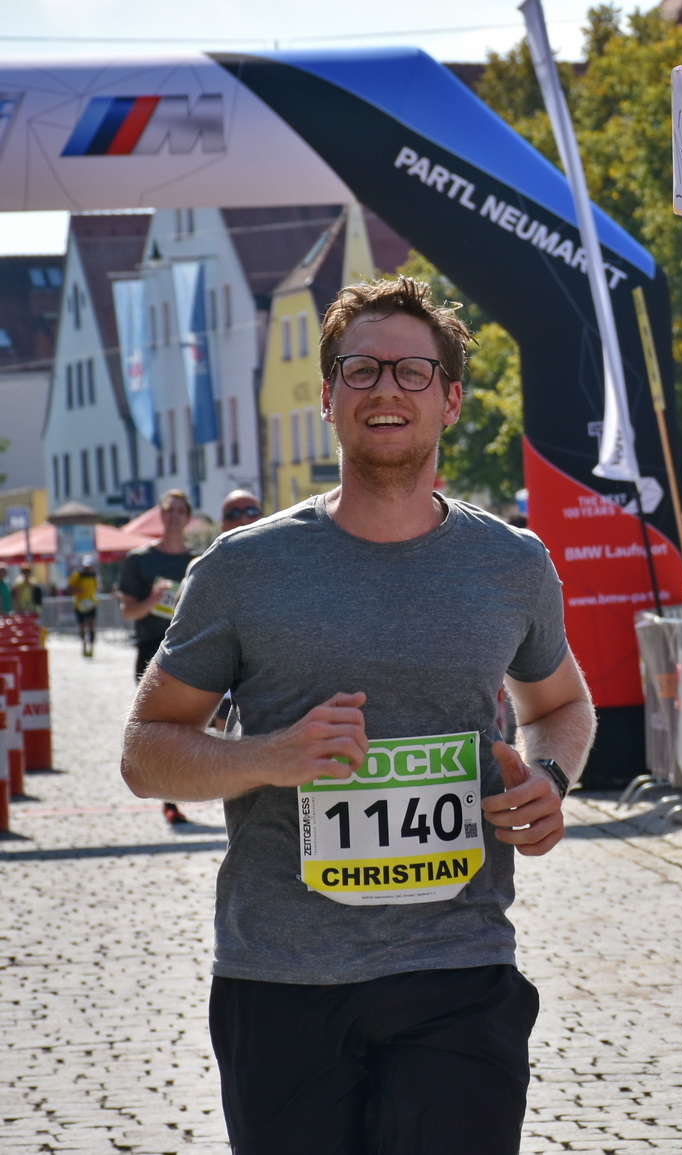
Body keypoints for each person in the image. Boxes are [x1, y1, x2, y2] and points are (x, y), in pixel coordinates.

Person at [120, 276, 593, 1155]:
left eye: (414, 372)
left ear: (451, 400)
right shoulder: (242, 568)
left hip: (459, 968)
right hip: (283, 978)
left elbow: (560, 702)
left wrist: (550, 778)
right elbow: (146, 752)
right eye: (361, 369)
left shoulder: (511, 563)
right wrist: (268, 755)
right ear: (328, 396)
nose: (386, 389)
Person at [119, 489, 199, 825]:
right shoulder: (139, 560)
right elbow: (128, 612)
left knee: (193, 724)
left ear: (188, 517)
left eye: (180, 510)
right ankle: (168, 798)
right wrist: (152, 600)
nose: (174, 516)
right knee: (160, 726)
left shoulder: (199, 560)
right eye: (169, 510)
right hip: (151, 648)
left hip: (193, 648)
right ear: (161, 516)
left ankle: (187, 788)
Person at [68, 554, 100, 658]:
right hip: (79, 604)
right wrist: (78, 591)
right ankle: (84, 645)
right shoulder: (77, 574)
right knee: (82, 627)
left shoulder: (94, 575)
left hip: (91, 603)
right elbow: (69, 588)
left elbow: (97, 587)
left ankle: (91, 647)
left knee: (91, 626)